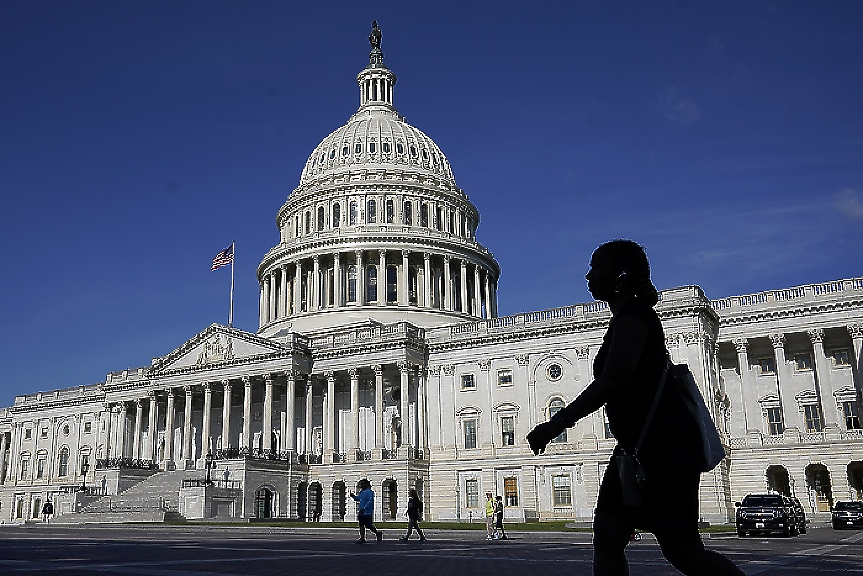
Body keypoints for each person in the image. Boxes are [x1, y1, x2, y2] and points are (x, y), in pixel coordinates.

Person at [527, 239, 745, 576]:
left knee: (681, 550)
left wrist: (555, 424)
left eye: (597, 268)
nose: (588, 276)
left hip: (664, 448)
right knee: (608, 536)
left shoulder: (634, 317)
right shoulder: (625, 317)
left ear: (621, 275)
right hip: (635, 450)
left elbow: (612, 380)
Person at [350, 479, 382, 543]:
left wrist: (365, 508)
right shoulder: (362, 492)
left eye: (362, 484)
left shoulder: (369, 492)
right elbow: (358, 499)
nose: (361, 485)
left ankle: (377, 533)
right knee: (361, 525)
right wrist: (353, 496)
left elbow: (370, 501)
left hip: (367, 512)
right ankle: (362, 538)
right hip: (361, 511)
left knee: (368, 525)